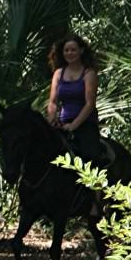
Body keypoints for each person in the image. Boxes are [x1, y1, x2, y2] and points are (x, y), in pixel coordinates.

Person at [45, 34, 110, 168]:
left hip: (85, 124)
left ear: (81, 50)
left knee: (90, 158)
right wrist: (52, 120)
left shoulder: (89, 73)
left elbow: (89, 103)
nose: (69, 53)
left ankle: (96, 187)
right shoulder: (58, 73)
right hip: (63, 123)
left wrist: (74, 125)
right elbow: (52, 102)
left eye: (73, 50)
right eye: (66, 50)